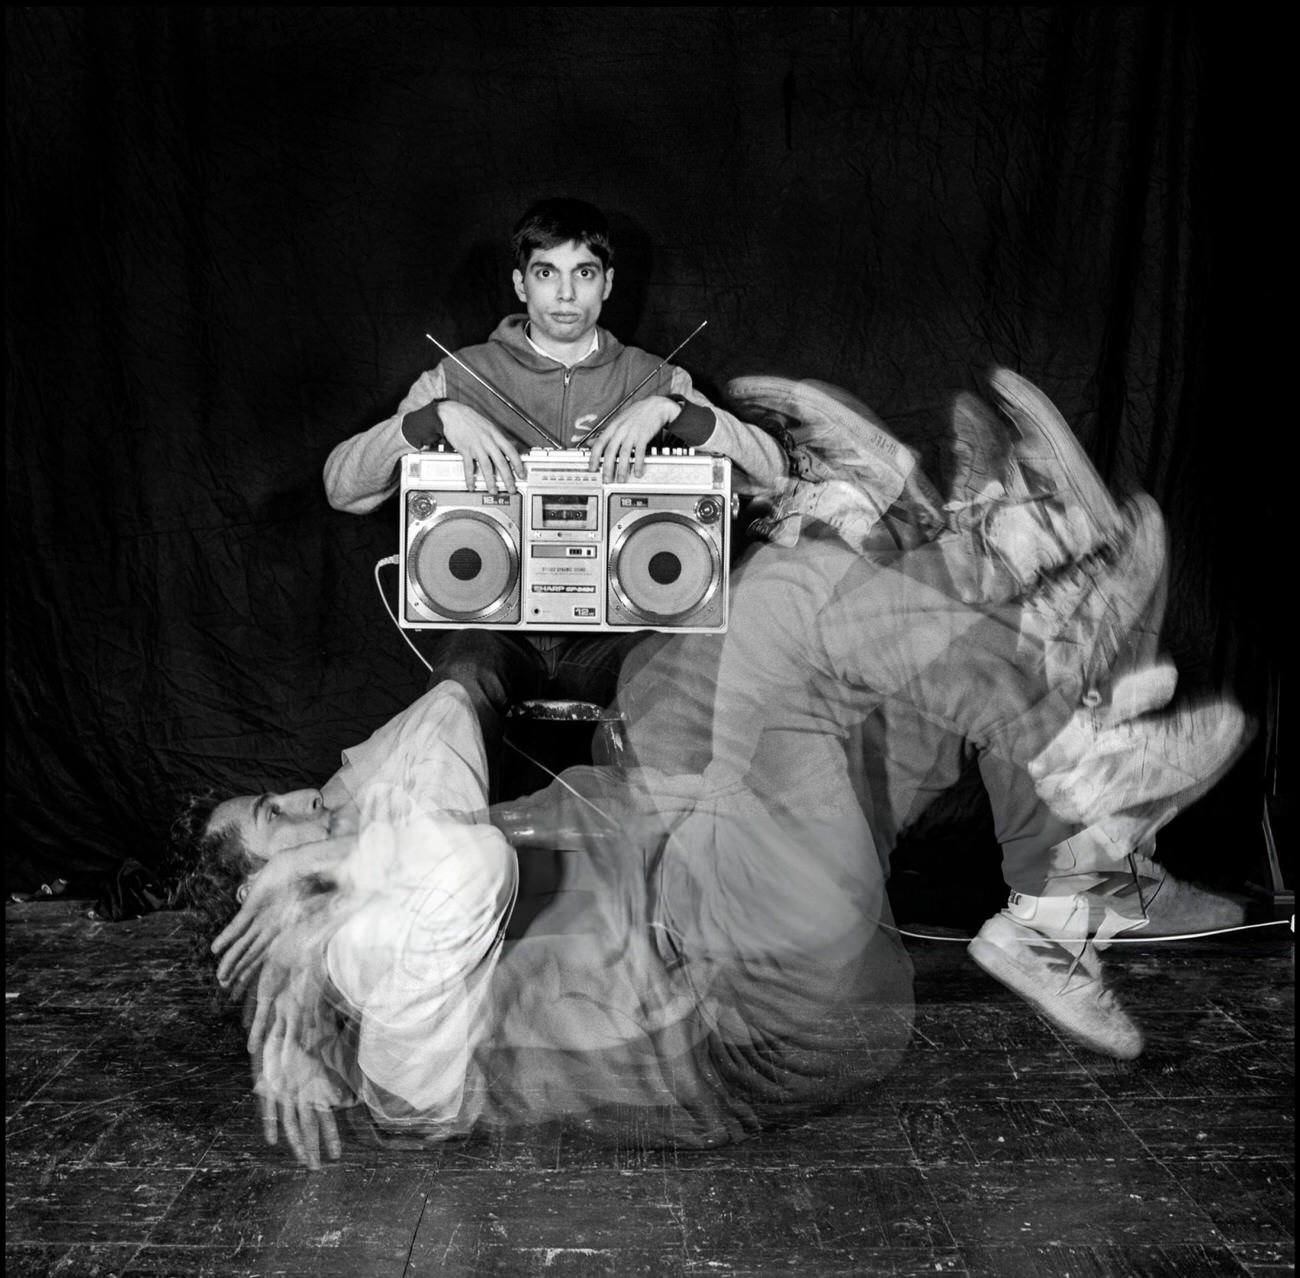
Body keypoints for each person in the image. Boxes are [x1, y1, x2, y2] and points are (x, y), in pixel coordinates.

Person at [177, 369, 1248, 1167]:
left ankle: (1057, 856)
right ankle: (975, 588)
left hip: (728, 880)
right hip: (754, 1009)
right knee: (773, 621)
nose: (319, 797)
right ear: (263, 909)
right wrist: (323, 909)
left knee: (755, 658)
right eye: (283, 817)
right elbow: (457, 861)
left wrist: (424, 737)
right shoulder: (380, 981)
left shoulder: (381, 847)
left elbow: (474, 679)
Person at [322, 197, 822, 794]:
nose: (565, 295)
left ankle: (661, 865)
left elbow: (772, 476)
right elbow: (342, 488)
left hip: (620, 630)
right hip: (494, 628)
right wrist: (434, 418)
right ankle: (449, 869)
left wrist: (673, 412)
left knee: (673, 691)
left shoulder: (656, 378)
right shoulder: (459, 376)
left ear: (607, 283)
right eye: (545, 273)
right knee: (459, 683)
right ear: (519, 283)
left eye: (583, 273)